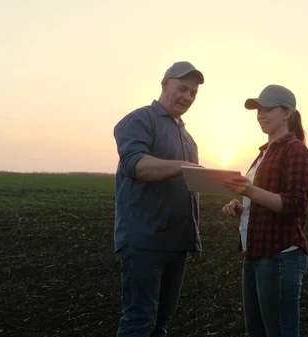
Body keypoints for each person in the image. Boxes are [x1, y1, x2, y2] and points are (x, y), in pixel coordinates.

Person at [112, 61, 205, 337]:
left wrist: (193, 237)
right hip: (144, 241)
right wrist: (183, 167)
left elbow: (190, 190)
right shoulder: (140, 120)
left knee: (160, 324)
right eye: (182, 89)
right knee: (139, 322)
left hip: (176, 244)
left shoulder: (188, 137)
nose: (187, 97)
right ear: (165, 84)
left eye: (193, 94)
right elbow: (137, 165)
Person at [221, 84, 308, 337]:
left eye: (267, 109)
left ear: (287, 113)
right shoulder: (264, 153)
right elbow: (265, 200)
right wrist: (242, 206)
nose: (261, 115)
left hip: (280, 257)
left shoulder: (295, 150)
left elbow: (295, 205)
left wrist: (250, 191)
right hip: (255, 254)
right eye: (258, 110)